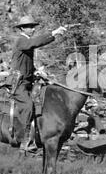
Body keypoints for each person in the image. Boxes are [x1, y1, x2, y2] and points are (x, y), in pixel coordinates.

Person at [10, 15, 66, 152]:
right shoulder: (21, 41)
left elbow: (26, 63)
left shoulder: (26, 41)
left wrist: (36, 71)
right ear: (22, 28)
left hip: (28, 81)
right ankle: (24, 141)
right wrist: (53, 33)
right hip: (19, 83)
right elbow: (34, 43)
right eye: (29, 27)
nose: (33, 29)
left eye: (33, 26)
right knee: (28, 106)